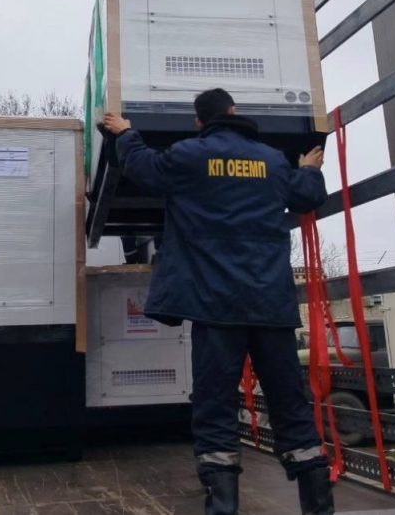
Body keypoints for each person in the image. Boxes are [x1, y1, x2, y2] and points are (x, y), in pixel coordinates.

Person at [103, 88, 333, 515]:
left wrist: (125, 133)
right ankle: (318, 508)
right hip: (270, 306)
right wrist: (309, 169)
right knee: (290, 407)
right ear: (233, 111)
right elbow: (306, 196)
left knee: (215, 407)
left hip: (215, 307)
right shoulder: (271, 161)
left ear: (199, 122)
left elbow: (143, 168)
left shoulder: (189, 156)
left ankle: (223, 507)